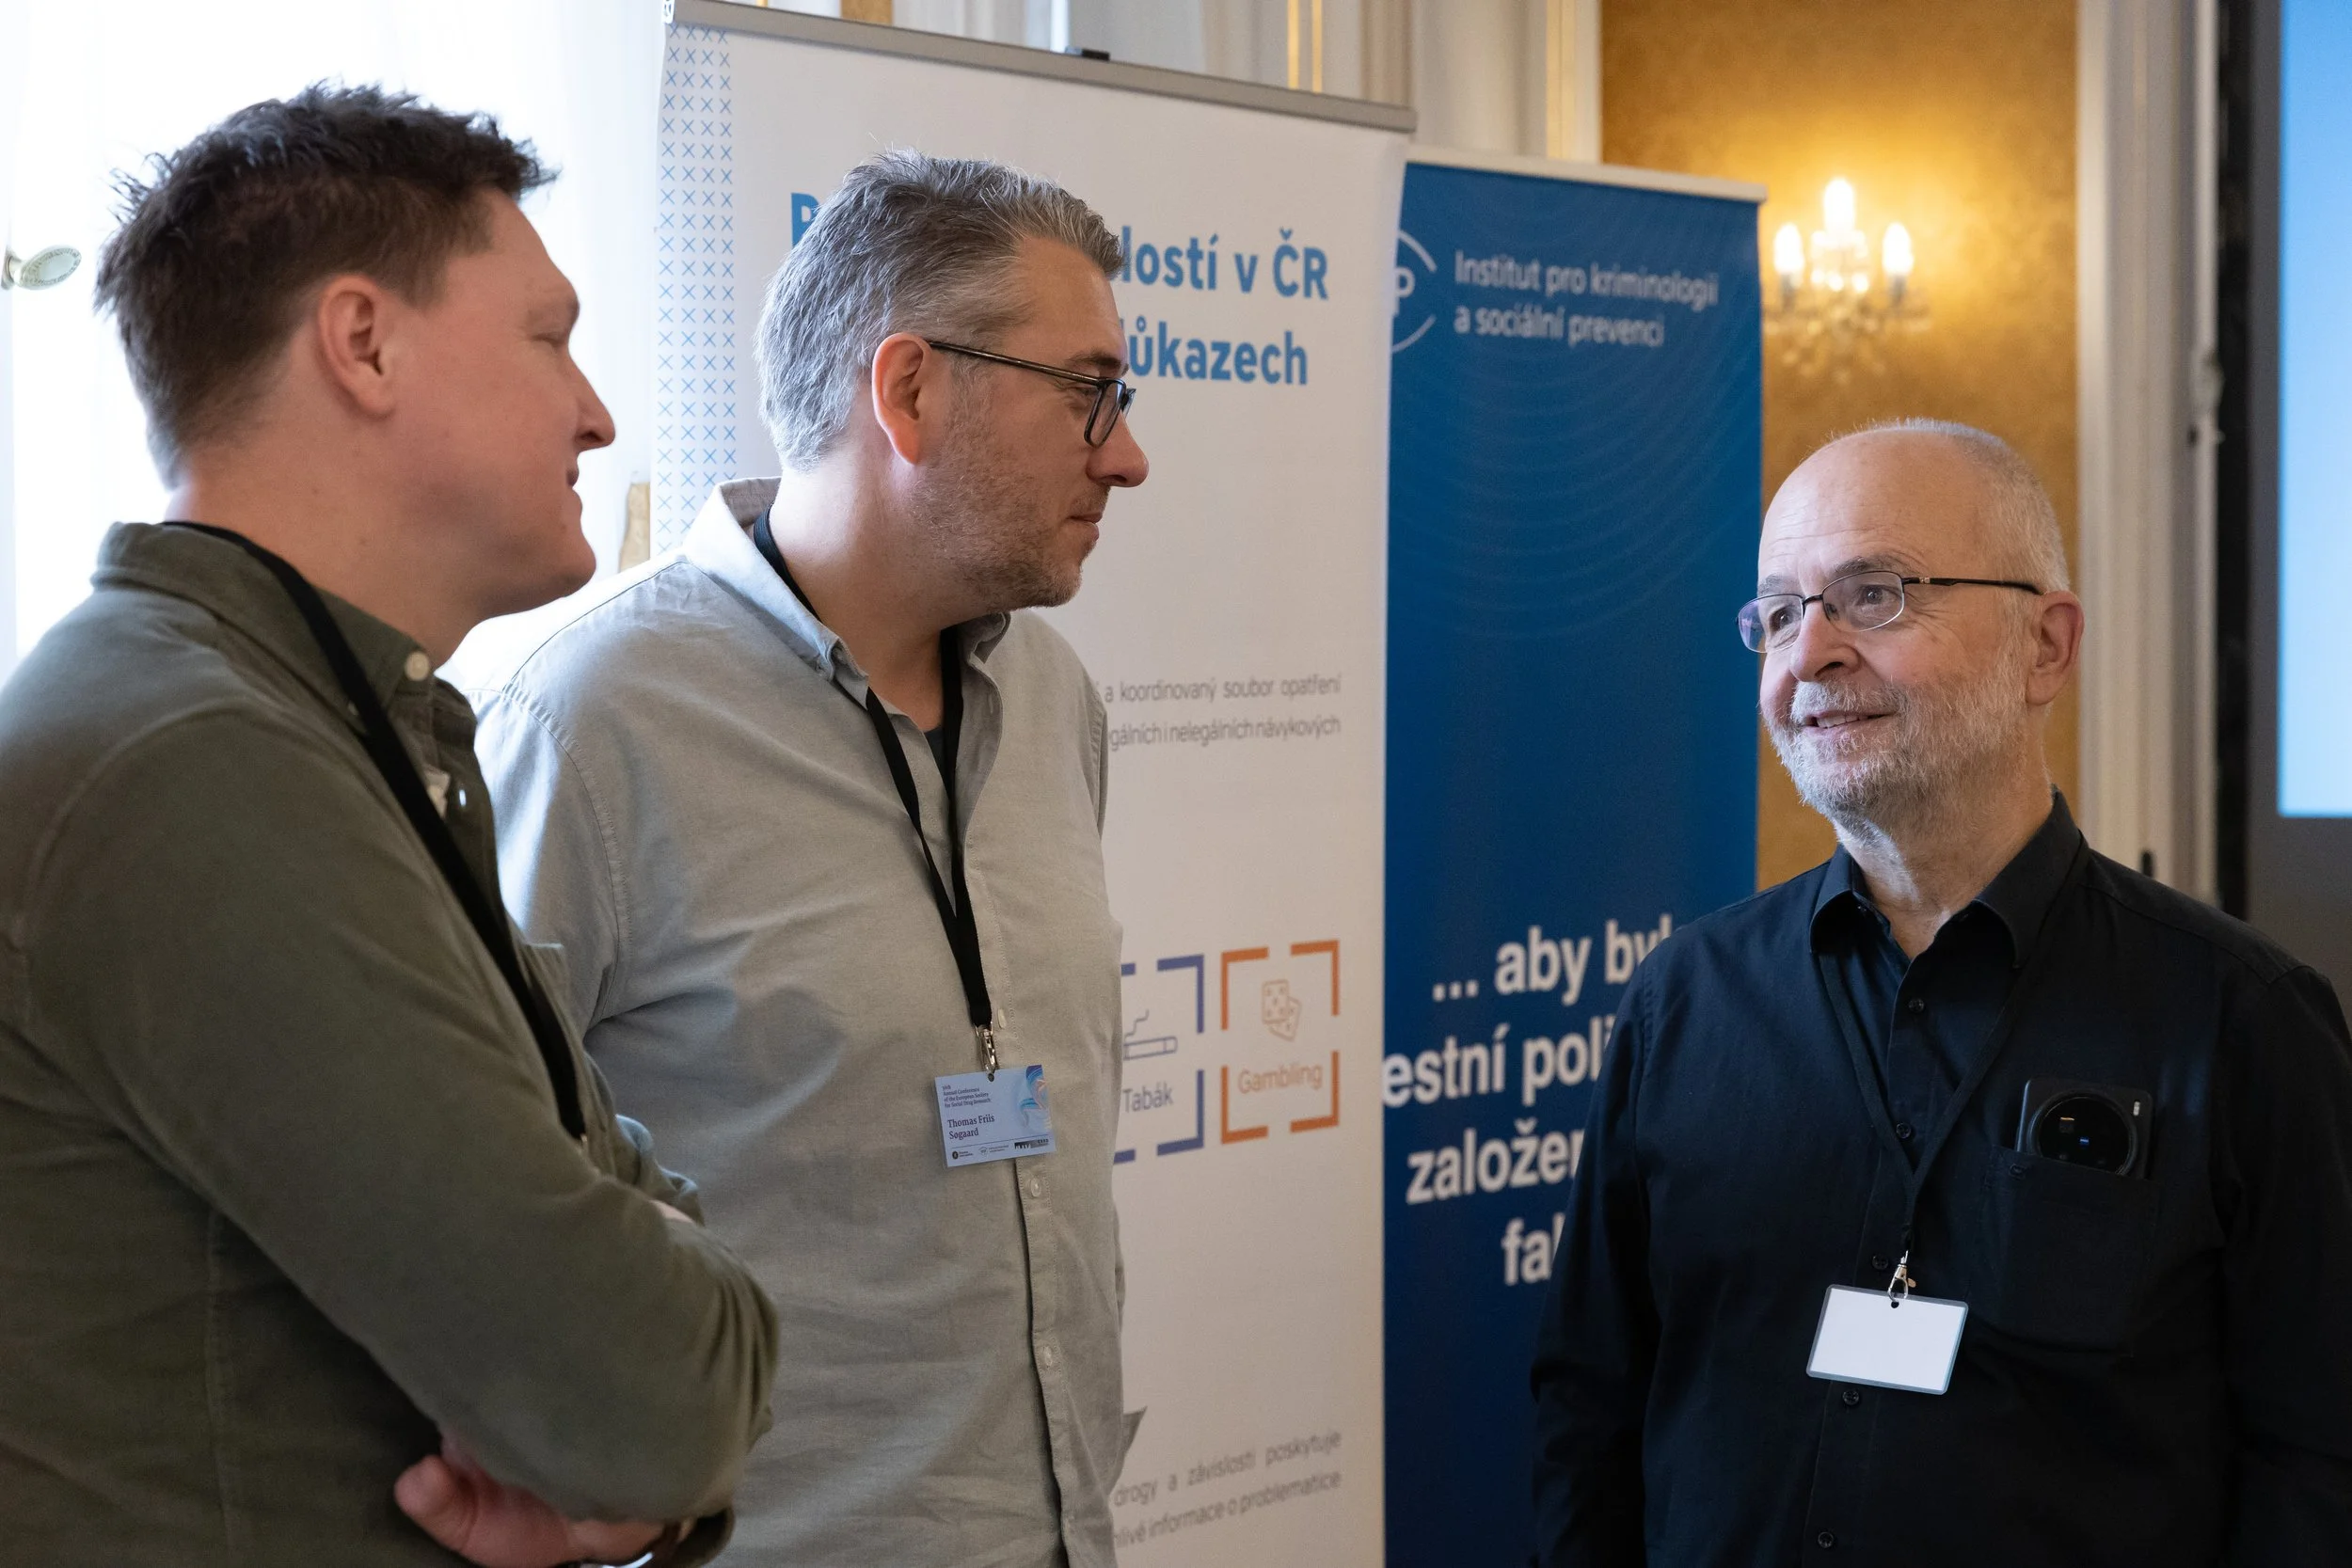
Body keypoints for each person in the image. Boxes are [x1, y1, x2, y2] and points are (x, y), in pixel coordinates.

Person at [0, 87, 777, 1567]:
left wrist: (636, 1414)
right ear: (363, 342)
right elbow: (650, 1391)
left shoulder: (316, 723)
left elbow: (623, 1310)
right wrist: (647, 1399)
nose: (598, 412)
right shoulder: (198, 762)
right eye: (548, 336)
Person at [469, 150, 1149, 1566]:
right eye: (1086, 392)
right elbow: (474, 1205)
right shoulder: (591, 728)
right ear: (909, 391)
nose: (1124, 453)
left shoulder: (1057, 701)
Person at [1530, 420, 2352, 1565]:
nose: (1810, 653)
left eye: (1872, 595)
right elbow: (1588, 1404)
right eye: (1778, 613)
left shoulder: (2242, 1019)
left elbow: (2316, 1455)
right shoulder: (1684, 1002)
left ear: (2044, 647)